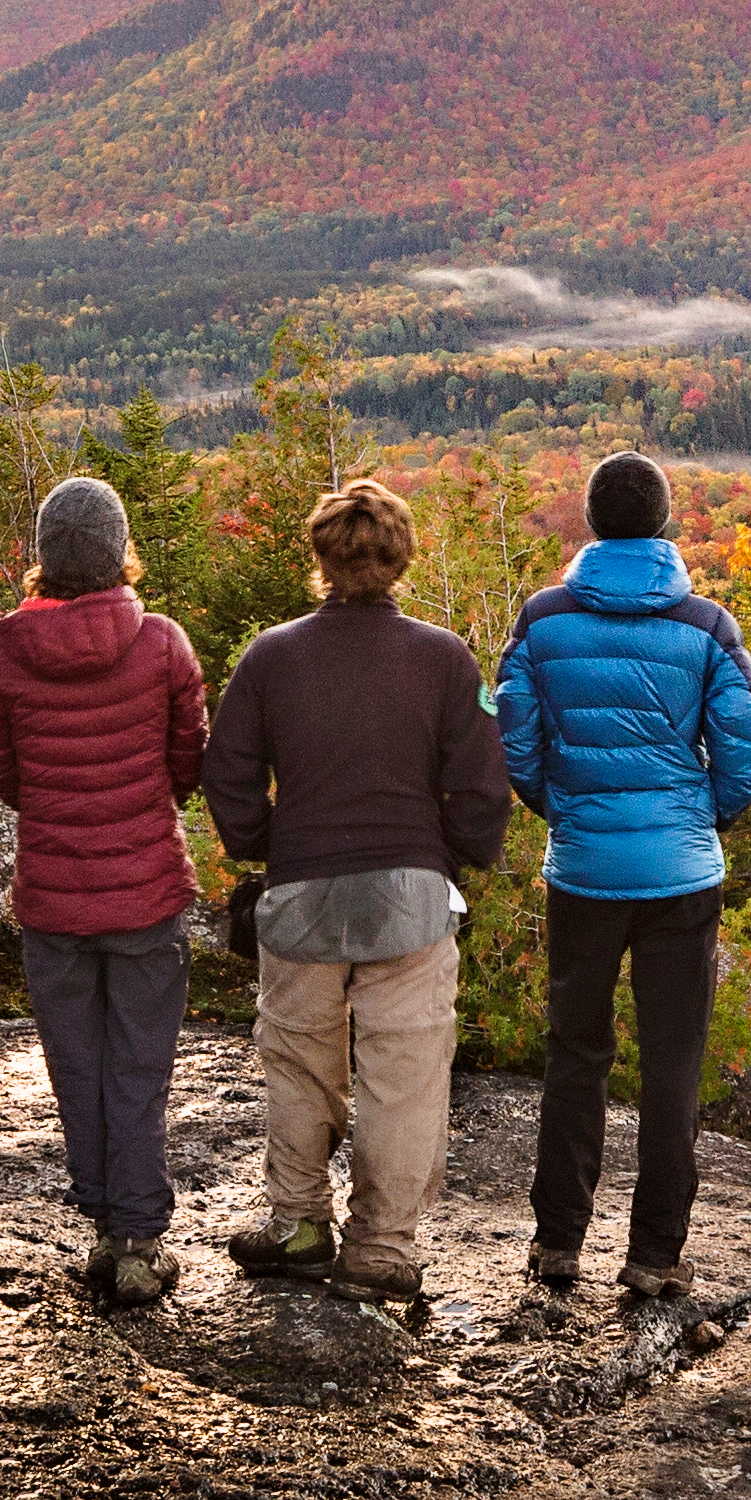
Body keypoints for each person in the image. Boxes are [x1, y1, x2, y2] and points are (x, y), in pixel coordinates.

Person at [202, 476, 506, 1309]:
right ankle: (382, 1244)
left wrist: (266, 843)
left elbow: (225, 770)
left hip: (299, 891)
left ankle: (299, 1224)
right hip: (411, 893)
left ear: (322, 558)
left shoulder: (272, 656)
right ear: (402, 557)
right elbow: (483, 785)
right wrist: (454, 857)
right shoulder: (444, 657)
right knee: (403, 1074)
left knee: (299, 1062)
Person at [497, 448, 751, 1300]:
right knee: (673, 1062)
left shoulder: (542, 619)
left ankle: (557, 1246)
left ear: (592, 522)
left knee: (574, 1053)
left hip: (581, 870)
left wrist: (566, 809)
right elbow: (746, 752)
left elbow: (516, 736)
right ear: (662, 523)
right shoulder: (705, 625)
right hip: (681, 875)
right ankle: (654, 1257)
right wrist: (703, 819)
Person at [0, 473, 209, 1308]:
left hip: (53, 897)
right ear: (118, 553)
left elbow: (6, 777)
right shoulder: (162, 643)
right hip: (147, 891)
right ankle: (139, 1240)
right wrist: (142, 810)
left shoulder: (7, 655)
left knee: (76, 1067)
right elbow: (190, 764)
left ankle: (107, 1228)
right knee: (140, 1066)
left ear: (44, 558)